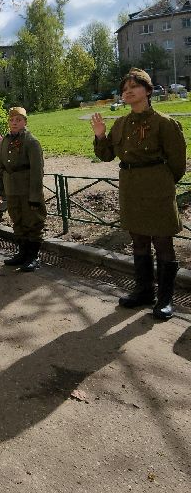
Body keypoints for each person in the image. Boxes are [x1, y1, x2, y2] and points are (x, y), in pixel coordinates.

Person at [91, 68, 187, 320]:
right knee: (139, 241)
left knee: (163, 243)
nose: (128, 91)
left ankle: (165, 299)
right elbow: (106, 155)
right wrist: (100, 135)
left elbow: (178, 164)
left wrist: (162, 183)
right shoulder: (121, 123)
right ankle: (144, 291)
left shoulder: (164, 123)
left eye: (134, 86)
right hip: (131, 189)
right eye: (125, 89)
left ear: (147, 90)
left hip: (158, 189)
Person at [0, 106, 46, 271]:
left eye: (18, 120)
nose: (14, 123)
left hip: (27, 190)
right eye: (12, 120)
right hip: (12, 190)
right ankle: (22, 254)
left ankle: (33, 256)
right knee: (18, 221)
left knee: (33, 222)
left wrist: (35, 197)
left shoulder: (31, 142)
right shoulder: (6, 141)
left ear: (25, 122)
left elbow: (37, 172)